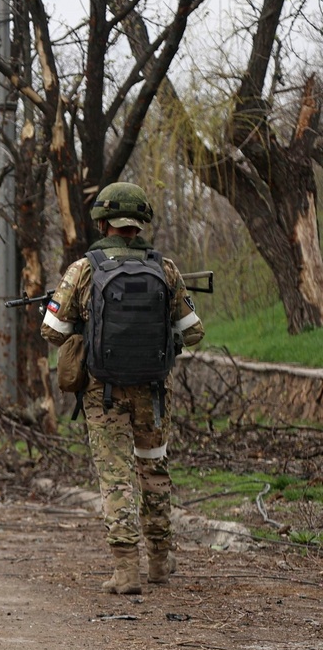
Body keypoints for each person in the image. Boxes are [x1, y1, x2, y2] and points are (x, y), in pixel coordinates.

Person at [41, 182, 204, 595]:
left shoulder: (85, 268)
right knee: (154, 469)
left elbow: (51, 330)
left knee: (115, 476)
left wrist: (82, 322)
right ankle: (161, 562)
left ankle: (126, 570)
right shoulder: (165, 268)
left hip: (104, 392)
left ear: (102, 222)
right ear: (140, 222)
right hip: (152, 390)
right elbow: (195, 331)